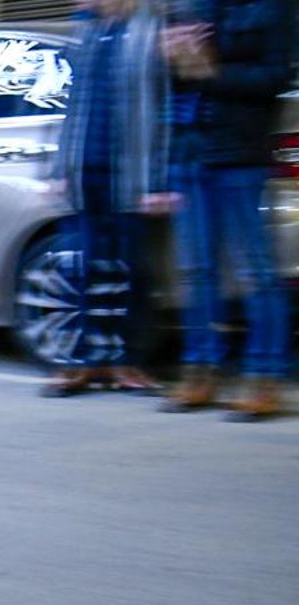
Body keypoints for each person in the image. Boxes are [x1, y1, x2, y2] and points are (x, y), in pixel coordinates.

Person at [159, 0, 296, 420]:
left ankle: (264, 376)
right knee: (196, 271)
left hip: (241, 154)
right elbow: (174, 82)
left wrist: (211, 69)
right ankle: (201, 370)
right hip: (189, 151)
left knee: (256, 271)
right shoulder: (193, 5)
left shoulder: (273, 8)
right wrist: (170, 56)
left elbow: (276, 77)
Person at [42, 0, 176, 397]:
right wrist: (60, 169)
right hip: (84, 169)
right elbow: (72, 106)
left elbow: (165, 103)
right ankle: (81, 361)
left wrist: (158, 179)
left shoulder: (151, 30)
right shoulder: (86, 32)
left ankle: (127, 362)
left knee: (130, 272)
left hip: (131, 173)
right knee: (81, 270)